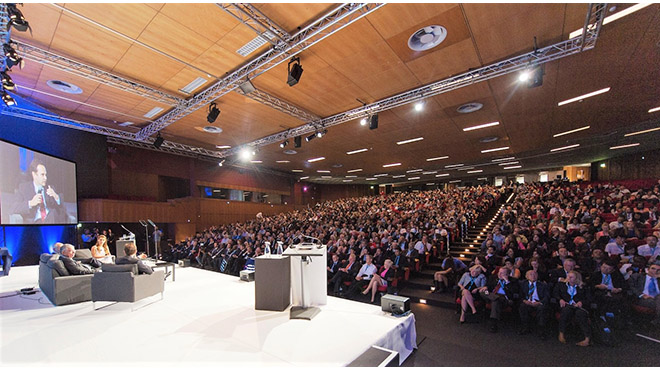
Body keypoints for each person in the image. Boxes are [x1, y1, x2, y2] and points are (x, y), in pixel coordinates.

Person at [10, 159, 66, 224]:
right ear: (34, 175)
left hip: (50, 221)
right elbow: (13, 208)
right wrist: (31, 203)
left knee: (52, 213)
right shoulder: (23, 188)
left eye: (46, 175)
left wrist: (56, 197)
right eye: (42, 175)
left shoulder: (50, 188)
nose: (45, 178)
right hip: (35, 224)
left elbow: (61, 210)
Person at [479, 266, 520, 333]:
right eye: (499, 272)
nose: (499, 274)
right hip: (491, 295)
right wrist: (486, 287)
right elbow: (488, 286)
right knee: (483, 291)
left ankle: (493, 324)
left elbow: (513, 293)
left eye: (502, 273)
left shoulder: (513, 281)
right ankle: (496, 299)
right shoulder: (494, 278)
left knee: (495, 302)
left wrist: (507, 282)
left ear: (507, 275)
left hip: (505, 298)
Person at [555, 271, 591, 346]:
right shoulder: (561, 285)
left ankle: (587, 338)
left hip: (578, 306)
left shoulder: (583, 287)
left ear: (577, 278)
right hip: (567, 305)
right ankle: (561, 333)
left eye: (571, 277)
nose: (569, 278)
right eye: (568, 276)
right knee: (566, 311)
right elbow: (555, 294)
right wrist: (560, 299)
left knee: (580, 314)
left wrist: (581, 302)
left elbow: (589, 298)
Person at [518, 270, 550, 339]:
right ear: (527, 276)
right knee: (522, 307)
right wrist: (524, 301)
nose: (533, 276)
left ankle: (541, 331)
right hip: (527, 302)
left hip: (538, 302)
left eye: (535, 274)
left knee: (542, 309)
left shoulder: (543, 285)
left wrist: (540, 302)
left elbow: (547, 297)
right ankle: (525, 327)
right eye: (531, 274)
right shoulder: (522, 284)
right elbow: (520, 295)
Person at [630, 261, 660, 327]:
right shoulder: (637, 277)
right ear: (648, 269)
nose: (655, 271)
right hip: (643, 298)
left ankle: (657, 320)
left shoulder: (658, 279)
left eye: (658, 270)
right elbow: (631, 287)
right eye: (653, 268)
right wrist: (642, 295)